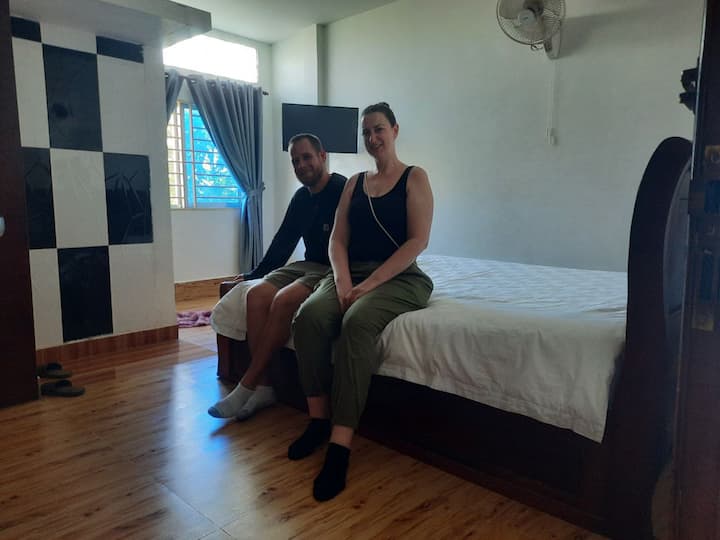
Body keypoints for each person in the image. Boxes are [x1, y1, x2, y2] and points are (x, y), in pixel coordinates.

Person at [289, 102, 434, 501]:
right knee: (308, 317)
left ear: (394, 130)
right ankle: (318, 420)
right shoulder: (354, 183)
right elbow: (337, 239)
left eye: (379, 129)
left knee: (356, 322)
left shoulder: (414, 177)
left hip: (398, 277)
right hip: (351, 273)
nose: (372, 138)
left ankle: (340, 445)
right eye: (366, 132)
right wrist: (341, 281)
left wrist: (368, 286)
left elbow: (417, 242)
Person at [208, 133, 346, 421]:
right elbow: (283, 241)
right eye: (295, 161)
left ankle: (247, 384)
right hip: (309, 263)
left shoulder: (342, 189)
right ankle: (264, 387)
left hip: (333, 267)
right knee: (255, 294)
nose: (301, 165)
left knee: (284, 299)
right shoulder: (301, 198)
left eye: (306, 157)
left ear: (322, 156)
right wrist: (253, 274)